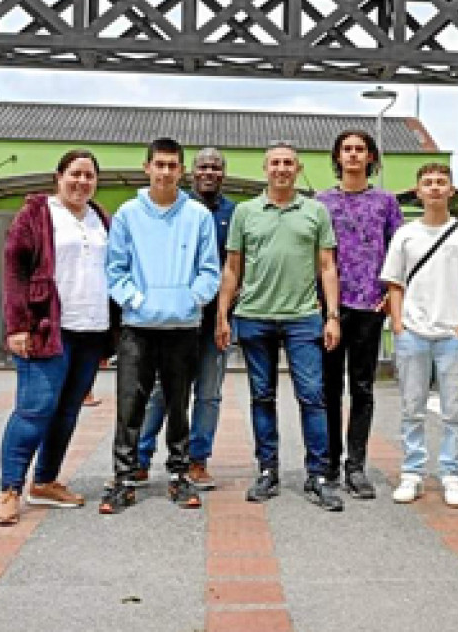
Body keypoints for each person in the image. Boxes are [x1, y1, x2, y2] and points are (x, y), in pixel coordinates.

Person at [216, 143, 344, 512]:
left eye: (288, 163)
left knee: (312, 396)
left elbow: (327, 267)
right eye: (275, 163)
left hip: (304, 317)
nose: (282, 169)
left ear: (298, 167)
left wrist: (332, 315)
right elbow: (232, 269)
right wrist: (223, 315)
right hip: (255, 316)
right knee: (262, 396)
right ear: (265, 168)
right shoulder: (246, 212)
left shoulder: (315, 211)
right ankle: (268, 470)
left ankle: (318, 474)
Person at [0, 149, 114, 526]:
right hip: (47, 328)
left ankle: (45, 481)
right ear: (59, 177)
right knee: (35, 409)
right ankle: (10, 489)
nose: (82, 182)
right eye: (75, 174)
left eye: (89, 176)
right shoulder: (37, 214)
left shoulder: (100, 219)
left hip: (90, 330)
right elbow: (15, 271)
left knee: (67, 411)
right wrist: (17, 326)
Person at [100, 138, 221, 514]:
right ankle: (124, 479)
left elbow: (209, 271)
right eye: (160, 165)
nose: (166, 172)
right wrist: (138, 302)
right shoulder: (127, 214)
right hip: (137, 326)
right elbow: (115, 270)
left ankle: (180, 475)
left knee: (179, 404)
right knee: (130, 404)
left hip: (183, 327)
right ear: (147, 167)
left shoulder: (198, 215)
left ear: (181, 170)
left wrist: (188, 300)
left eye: (172, 165)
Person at [380, 163, 458, 508]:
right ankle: (412, 473)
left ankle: (452, 474)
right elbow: (394, 284)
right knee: (412, 408)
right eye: (428, 183)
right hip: (413, 332)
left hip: (452, 333)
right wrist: (399, 324)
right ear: (418, 191)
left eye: (441, 182)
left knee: (453, 409)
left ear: (451, 191)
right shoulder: (405, 235)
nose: (435, 188)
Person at [134, 148, 236, 490]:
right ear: (190, 172)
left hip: (212, 322)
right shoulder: (175, 208)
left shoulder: (233, 214)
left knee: (208, 394)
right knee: (161, 392)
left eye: (216, 167)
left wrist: (222, 315)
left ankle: (197, 460)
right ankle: (140, 458)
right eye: (203, 166)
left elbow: (232, 270)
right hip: (174, 320)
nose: (210, 172)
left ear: (224, 174)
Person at [316, 130, 403, 499]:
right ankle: (330, 463)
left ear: (370, 158)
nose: (353, 155)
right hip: (331, 308)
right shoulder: (320, 202)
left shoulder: (386, 201)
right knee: (329, 389)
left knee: (362, 387)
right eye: (346, 150)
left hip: (370, 305)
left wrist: (392, 293)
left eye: (360, 150)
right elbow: (315, 256)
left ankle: (357, 465)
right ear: (338, 157)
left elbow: (400, 250)